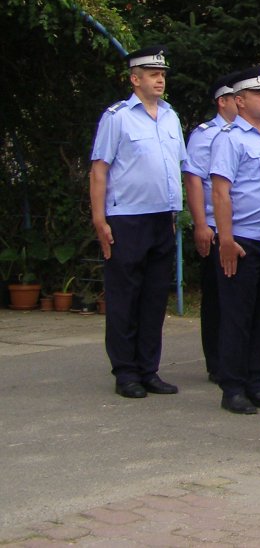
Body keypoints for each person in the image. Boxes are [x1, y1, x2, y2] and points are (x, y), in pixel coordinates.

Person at [89, 46, 186, 399]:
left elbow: (175, 168)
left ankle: (149, 369)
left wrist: (175, 215)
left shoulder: (171, 117)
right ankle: (125, 372)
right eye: (152, 74)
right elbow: (99, 169)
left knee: (153, 297)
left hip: (162, 218)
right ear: (135, 79)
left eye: (162, 74)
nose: (160, 79)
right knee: (124, 297)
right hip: (127, 218)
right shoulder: (117, 117)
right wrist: (100, 219)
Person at [209, 66, 260, 416]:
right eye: (258, 93)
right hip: (242, 241)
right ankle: (232, 386)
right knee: (237, 316)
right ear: (238, 100)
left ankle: (255, 381)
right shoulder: (229, 138)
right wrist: (226, 238)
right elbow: (221, 193)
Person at [182, 73, 239, 384]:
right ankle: (216, 362)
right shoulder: (205, 135)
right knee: (217, 297)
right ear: (224, 101)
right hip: (217, 227)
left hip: (251, 230)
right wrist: (201, 224)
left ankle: (242, 358)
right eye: (236, 95)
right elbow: (193, 179)